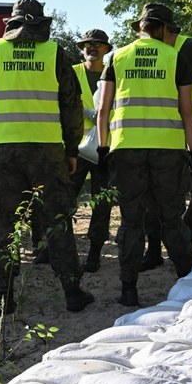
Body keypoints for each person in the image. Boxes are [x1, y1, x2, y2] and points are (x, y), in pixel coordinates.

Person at [0, 0, 94, 314]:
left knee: (5, 225)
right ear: (40, 23)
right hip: (48, 152)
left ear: (11, 22)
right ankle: (73, 292)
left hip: (4, 152)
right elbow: (72, 106)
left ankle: (4, 297)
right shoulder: (55, 53)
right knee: (56, 221)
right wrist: (72, 148)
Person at [98, 3, 192, 307]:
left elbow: (103, 109)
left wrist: (103, 149)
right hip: (167, 150)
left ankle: (129, 289)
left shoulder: (117, 57)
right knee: (172, 217)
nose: (173, 37)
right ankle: (188, 281)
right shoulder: (175, 57)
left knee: (131, 221)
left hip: (126, 149)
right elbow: (187, 112)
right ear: (162, 28)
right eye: (172, 31)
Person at [142, 18, 192, 268]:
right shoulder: (148, 52)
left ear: (167, 30)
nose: (147, 37)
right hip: (170, 126)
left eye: (152, 31)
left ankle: (190, 238)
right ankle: (155, 250)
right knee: (157, 191)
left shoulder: (189, 47)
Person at [70, 28, 114, 272]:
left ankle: (95, 251)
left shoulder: (115, 72)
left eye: (98, 44)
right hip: (75, 146)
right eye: (87, 44)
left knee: (102, 200)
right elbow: (61, 103)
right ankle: (54, 245)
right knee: (66, 197)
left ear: (107, 49)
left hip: (104, 146)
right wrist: (85, 113)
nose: (92, 48)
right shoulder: (72, 73)